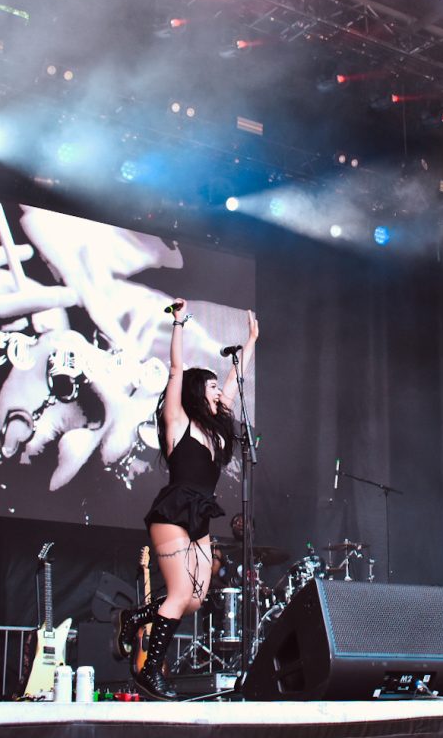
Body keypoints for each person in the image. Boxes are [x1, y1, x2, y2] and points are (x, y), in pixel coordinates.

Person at [113, 299, 258, 700]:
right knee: (179, 596)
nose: (218, 391)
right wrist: (179, 324)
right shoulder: (178, 422)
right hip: (174, 511)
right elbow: (176, 370)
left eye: (217, 387)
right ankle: (148, 674)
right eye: (211, 386)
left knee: (194, 599)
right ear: (198, 392)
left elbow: (234, 385)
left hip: (200, 516)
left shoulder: (215, 431)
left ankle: (132, 619)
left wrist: (251, 341)